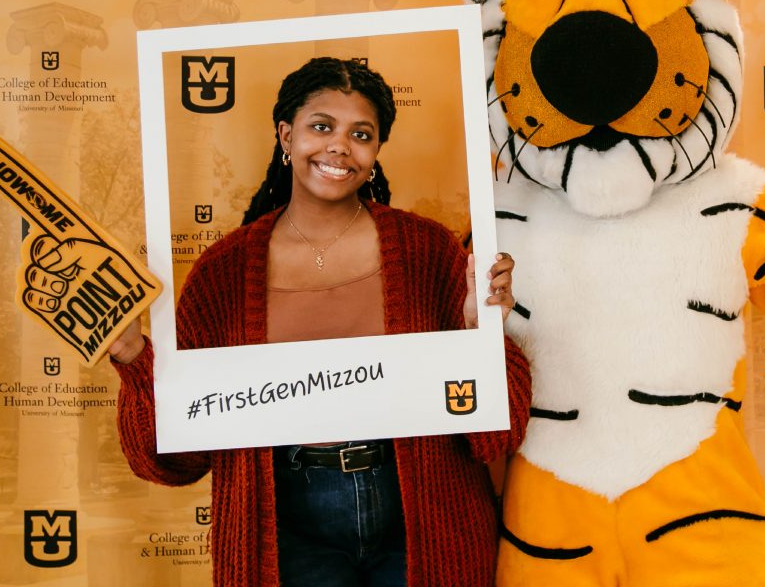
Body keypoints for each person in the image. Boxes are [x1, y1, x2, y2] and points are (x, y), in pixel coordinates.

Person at [108, 57, 532, 587]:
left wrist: (479, 331)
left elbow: (498, 433)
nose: (339, 146)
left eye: (361, 134)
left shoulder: (427, 251)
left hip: (423, 513)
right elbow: (174, 461)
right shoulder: (223, 273)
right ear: (286, 135)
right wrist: (132, 358)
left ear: (375, 152)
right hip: (289, 525)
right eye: (321, 126)